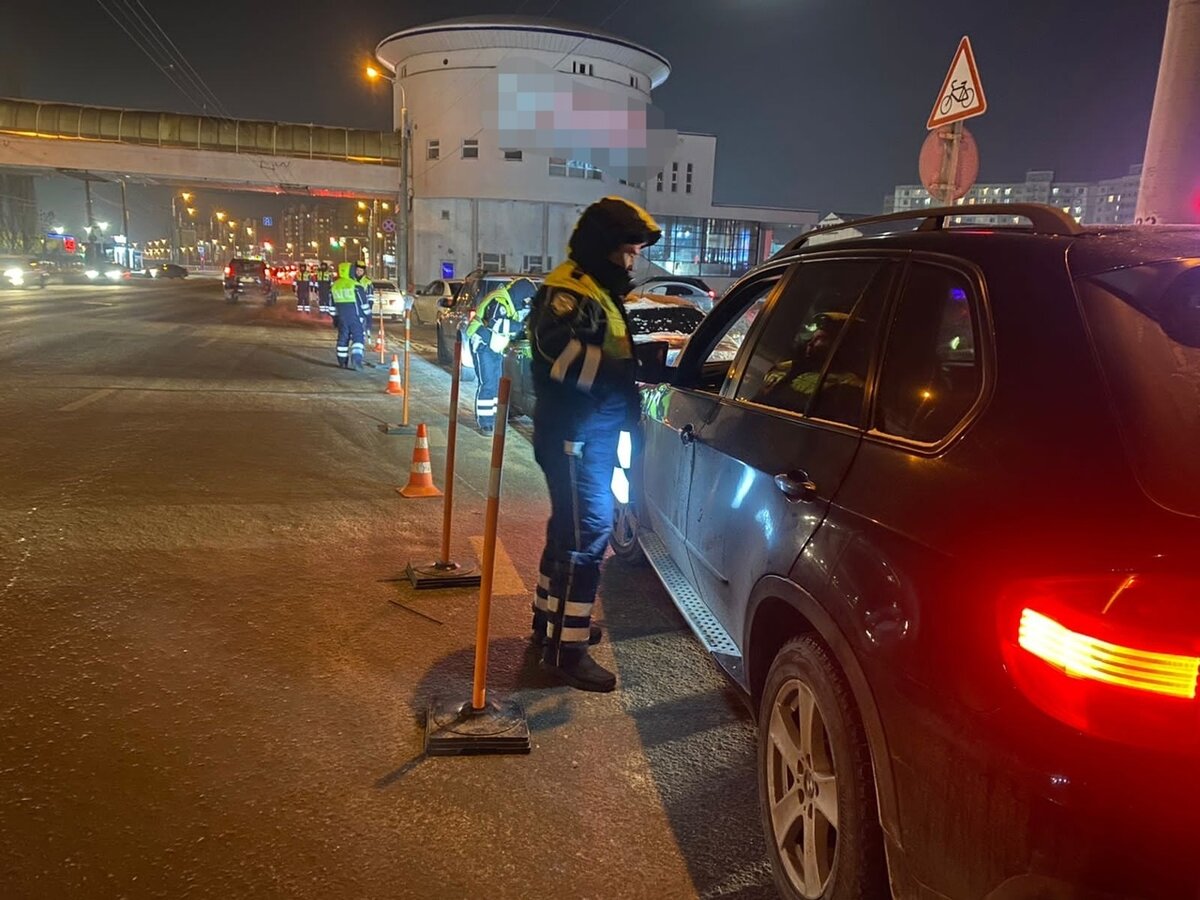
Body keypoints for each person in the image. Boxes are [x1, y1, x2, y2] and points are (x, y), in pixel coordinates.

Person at [526, 196, 661, 692]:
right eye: (625, 252)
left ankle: (553, 623)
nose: (629, 262)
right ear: (603, 246)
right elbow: (556, 353)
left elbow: (602, 349)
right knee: (587, 533)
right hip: (574, 434)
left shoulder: (594, 289)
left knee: (570, 531)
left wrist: (632, 365)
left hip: (585, 432)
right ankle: (567, 651)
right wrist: (620, 372)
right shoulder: (570, 289)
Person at [465, 277, 538, 434]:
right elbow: (495, 323)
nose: (526, 303)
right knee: (488, 384)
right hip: (483, 345)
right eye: (526, 299)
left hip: (493, 347)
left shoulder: (509, 302)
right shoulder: (500, 300)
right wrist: (522, 327)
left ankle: (494, 419)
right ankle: (485, 423)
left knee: (495, 385)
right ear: (521, 293)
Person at [331, 261, 365, 369]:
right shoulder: (355, 285)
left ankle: (342, 362)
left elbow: (331, 307)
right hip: (355, 317)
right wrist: (366, 318)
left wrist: (335, 319)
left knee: (342, 339)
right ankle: (356, 361)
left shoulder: (334, 286)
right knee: (358, 338)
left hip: (341, 318)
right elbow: (363, 304)